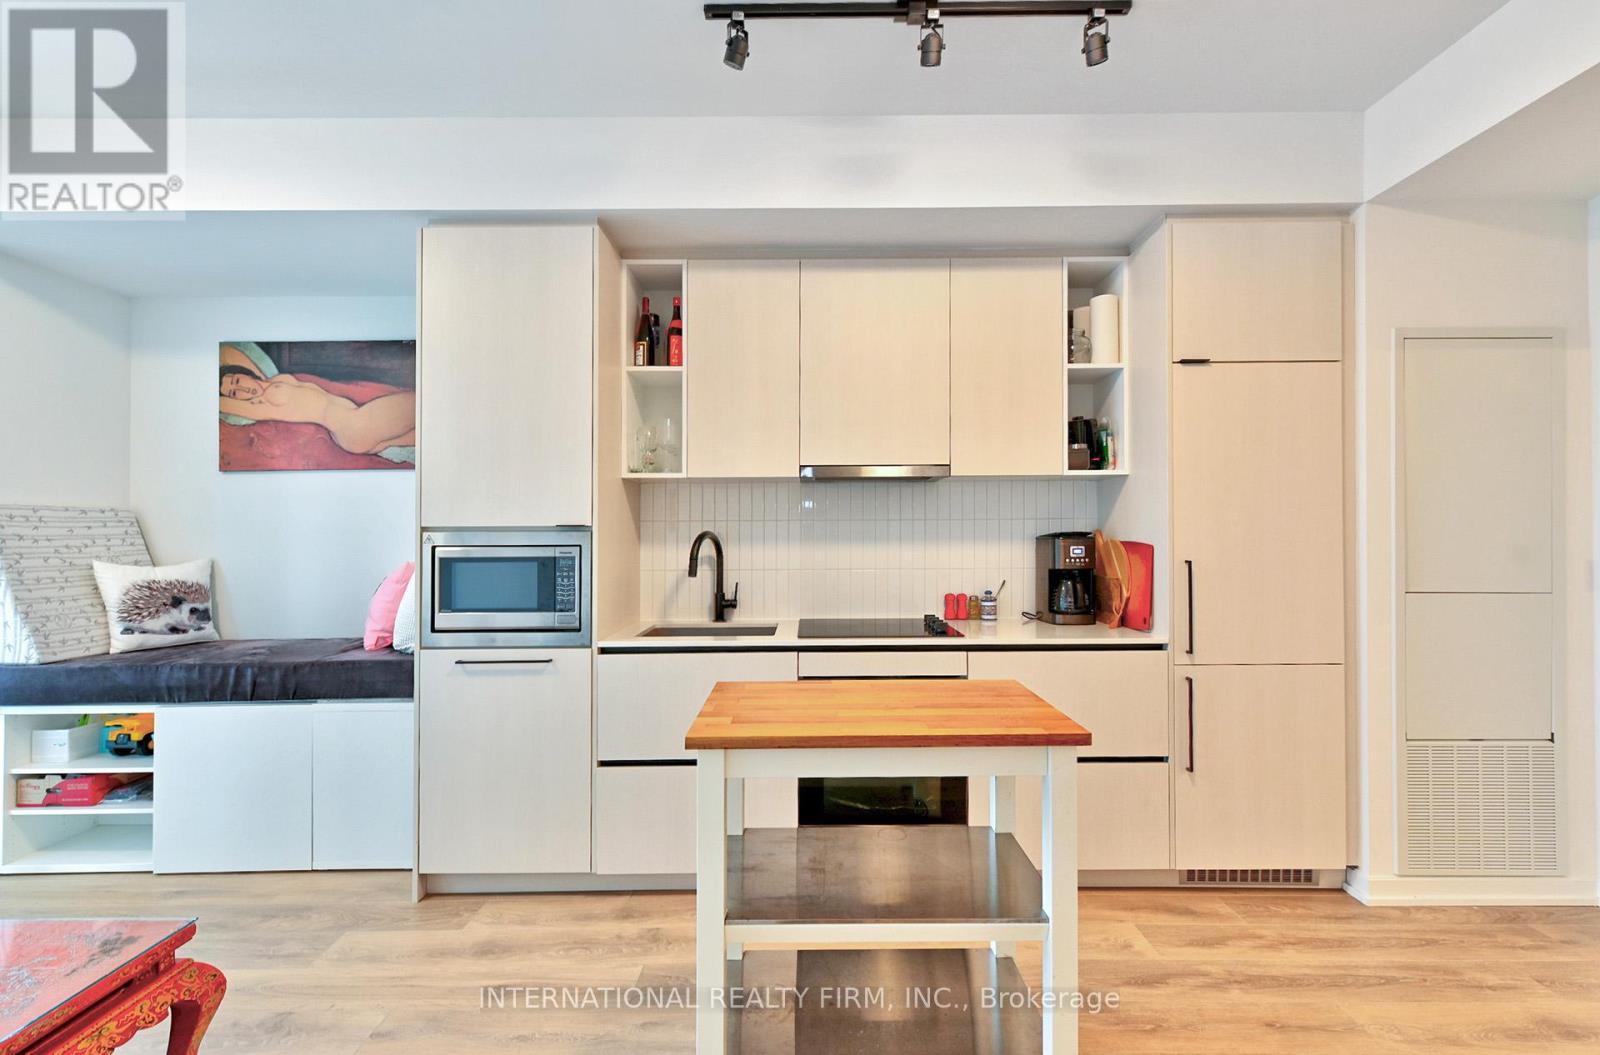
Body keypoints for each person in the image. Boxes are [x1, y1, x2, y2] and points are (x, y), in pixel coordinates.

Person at [219, 360, 416, 456]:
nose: (242, 388)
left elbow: (239, 355)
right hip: (354, 426)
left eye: (236, 380)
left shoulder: (274, 380)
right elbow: (222, 403)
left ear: (243, 373)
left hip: (353, 434)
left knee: (425, 435)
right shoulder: (261, 405)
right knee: (418, 403)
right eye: (235, 393)